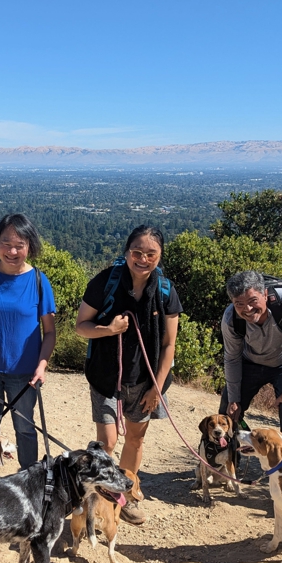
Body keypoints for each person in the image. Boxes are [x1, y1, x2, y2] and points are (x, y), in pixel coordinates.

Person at [75, 225, 182, 525]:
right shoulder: (105, 282)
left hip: (147, 381)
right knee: (106, 443)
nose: (143, 259)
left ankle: (126, 497)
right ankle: (95, 494)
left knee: (135, 440)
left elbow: (169, 344)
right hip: (106, 378)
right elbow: (81, 326)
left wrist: (156, 389)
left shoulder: (165, 290)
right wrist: (108, 330)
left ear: (160, 256)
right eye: (137, 252)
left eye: (151, 254)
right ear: (126, 252)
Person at [0, 214, 57, 470]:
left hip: (25, 375)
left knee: (26, 429)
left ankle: (29, 482)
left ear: (30, 246)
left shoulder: (39, 281)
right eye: (6, 243)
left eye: (20, 244)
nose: (12, 251)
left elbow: (49, 332)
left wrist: (42, 365)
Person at [220, 270, 282, 454]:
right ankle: (225, 465)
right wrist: (233, 399)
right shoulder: (230, 319)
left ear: (265, 294)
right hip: (250, 362)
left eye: (252, 301)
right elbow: (232, 358)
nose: (247, 309)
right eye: (239, 304)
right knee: (228, 414)